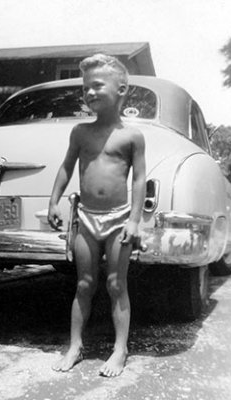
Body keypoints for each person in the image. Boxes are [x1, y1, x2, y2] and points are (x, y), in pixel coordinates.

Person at [48, 54, 146, 377]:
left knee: (117, 284)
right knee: (84, 284)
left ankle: (120, 349)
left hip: (119, 219)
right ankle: (75, 345)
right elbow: (65, 167)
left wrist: (134, 219)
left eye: (97, 86)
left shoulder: (132, 137)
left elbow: (139, 180)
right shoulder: (79, 132)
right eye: (85, 88)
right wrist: (54, 201)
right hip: (87, 219)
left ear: (122, 90)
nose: (89, 92)